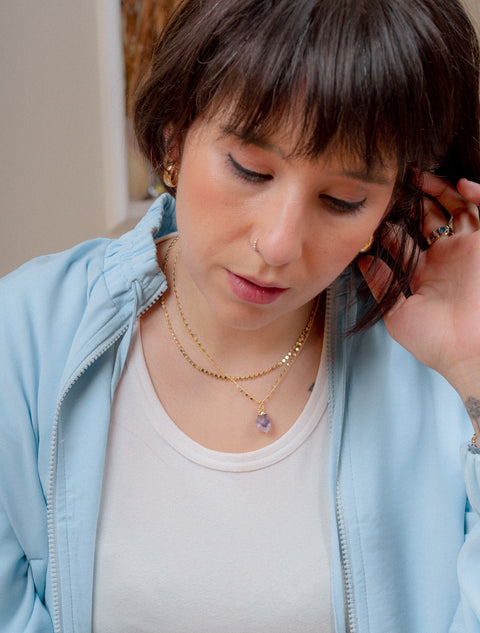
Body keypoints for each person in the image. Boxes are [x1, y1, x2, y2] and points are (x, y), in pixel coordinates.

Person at [2, 0, 480, 631]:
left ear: (400, 200)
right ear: (176, 134)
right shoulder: (25, 337)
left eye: (341, 201)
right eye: (250, 170)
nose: (279, 244)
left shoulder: (440, 367)